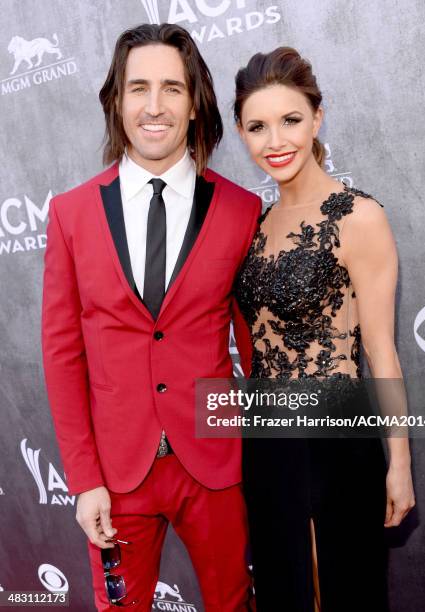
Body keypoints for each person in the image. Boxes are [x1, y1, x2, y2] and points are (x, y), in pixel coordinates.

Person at [42, 23, 261, 611]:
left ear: (195, 103)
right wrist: (85, 480)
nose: (155, 106)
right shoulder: (69, 215)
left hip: (216, 465)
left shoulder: (243, 212)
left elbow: (260, 352)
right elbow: (63, 357)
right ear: (117, 101)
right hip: (116, 478)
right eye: (138, 87)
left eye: (172, 88)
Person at [233, 47, 416, 611]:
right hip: (264, 438)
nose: (275, 140)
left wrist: (401, 465)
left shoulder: (358, 216)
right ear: (241, 134)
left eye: (290, 119)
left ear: (317, 116)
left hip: (335, 433)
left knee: (342, 588)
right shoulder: (253, 225)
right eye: (256, 126)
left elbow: (382, 353)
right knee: (284, 590)